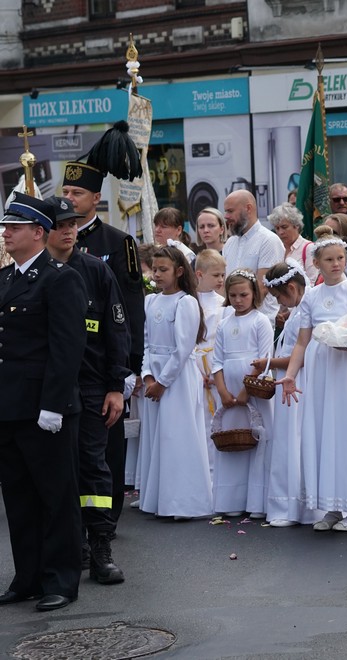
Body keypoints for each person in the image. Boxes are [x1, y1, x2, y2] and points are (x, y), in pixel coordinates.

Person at [0, 193, 87, 612]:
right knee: (19, 498)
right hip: (8, 406)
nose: (6, 233)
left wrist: (52, 405)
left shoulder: (60, 278)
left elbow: (67, 348)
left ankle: (60, 580)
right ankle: (28, 576)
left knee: (55, 497)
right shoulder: (4, 279)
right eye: (5, 227)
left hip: (44, 409)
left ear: (38, 232)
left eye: (14, 227)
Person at [278, 237, 347, 532]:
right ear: (316, 263)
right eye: (329, 259)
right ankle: (331, 505)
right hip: (320, 372)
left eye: (340, 258)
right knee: (322, 433)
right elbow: (303, 341)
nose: (336, 263)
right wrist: (290, 375)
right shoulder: (312, 297)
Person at [44, 195, 129, 584]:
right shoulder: (34, 273)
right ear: (41, 230)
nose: (69, 230)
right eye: (61, 224)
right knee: (57, 470)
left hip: (93, 387)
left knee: (94, 468)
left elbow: (117, 330)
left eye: (73, 223)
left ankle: (100, 547)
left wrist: (116, 386)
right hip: (48, 390)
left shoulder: (95, 270)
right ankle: (70, 543)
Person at [63, 160, 144, 522]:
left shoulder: (117, 243)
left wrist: (131, 366)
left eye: (77, 193)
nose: (70, 198)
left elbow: (130, 309)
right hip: (69, 361)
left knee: (106, 445)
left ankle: (105, 518)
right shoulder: (53, 241)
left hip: (104, 361)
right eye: (65, 192)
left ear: (96, 198)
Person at [137, 245, 213, 521]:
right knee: (156, 435)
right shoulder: (151, 302)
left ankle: (183, 501)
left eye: (163, 270)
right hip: (154, 375)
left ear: (179, 272)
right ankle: (157, 496)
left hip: (176, 378)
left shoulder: (186, 303)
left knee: (177, 436)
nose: (156, 274)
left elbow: (182, 349)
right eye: (154, 269)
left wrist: (163, 382)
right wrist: (146, 374)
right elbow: (144, 341)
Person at [258, 260, 320, 528]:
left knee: (295, 441)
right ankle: (287, 503)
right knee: (287, 441)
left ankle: (297, 505)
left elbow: (302, 354)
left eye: (280, 297)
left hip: (298, 382)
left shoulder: (306, 313)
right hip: (288, 381)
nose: (280, 303)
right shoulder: (296, 314)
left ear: (292, 288)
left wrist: (269, 364)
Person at [211, 270, 274, 519]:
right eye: (233, 295)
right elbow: (217, 362)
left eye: (244, 295)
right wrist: (223, 391)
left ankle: (257, 501)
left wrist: (246, 390)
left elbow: (264, 359)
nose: (238, 300)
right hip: (229, 387)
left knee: (256, 438)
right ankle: (231, 499)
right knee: (232, 438)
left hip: (252, 387)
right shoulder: (224, 324)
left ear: (254, 294)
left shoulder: (261, 321)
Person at [221, 190, 285, 324]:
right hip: (233, 322)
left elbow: (262, 287)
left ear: (248, 208)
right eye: (225, 211)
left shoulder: (269, 241)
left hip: (260, 324)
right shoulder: (229, 243)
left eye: (230, 211)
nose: (226, 216)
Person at [193, 249, 228, 471]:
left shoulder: (224, 303)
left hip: (215, 363)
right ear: (199, 274)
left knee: (216, 418)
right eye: (216, 275)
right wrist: (198, 371)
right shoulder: (189, 301)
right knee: (200, 419)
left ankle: (217, 470)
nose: (221, 280)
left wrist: (216, 371)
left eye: (223, 275)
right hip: (196, 363)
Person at [269, 202, 318, 284]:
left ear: (296, 226)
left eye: (284, 227)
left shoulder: (308, 248)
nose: (280, 232)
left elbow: (312, 281)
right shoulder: (275, 248)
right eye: (277, 228)